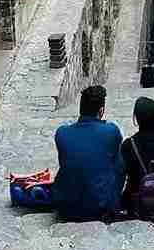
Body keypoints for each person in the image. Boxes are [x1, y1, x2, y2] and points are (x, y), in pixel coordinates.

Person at [53, 85, 125, 222]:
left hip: (66, 207)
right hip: (101, 208)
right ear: (101, 110)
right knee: (119, 157)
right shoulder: (111, 131)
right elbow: (119, 166)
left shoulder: (62, 133)